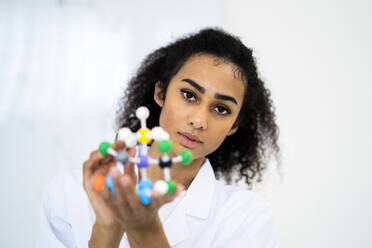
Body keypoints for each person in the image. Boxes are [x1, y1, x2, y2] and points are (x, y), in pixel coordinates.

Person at [36, 28, 280, 248]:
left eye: (221, 109)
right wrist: (107, 228)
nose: (199, 120)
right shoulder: (68, 194)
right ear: (161, 93)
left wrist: (144, 227)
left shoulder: (246, 217)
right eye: (189, 94)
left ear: (234, 125)